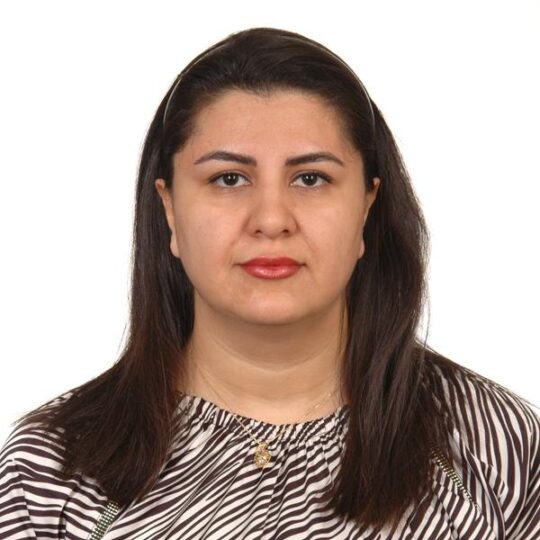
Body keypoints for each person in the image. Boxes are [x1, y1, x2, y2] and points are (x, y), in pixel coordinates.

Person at [0, 27, 538, 539]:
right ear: (169, 209)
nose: (272, 219)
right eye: (229, 178)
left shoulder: (495, 445)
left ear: (366, 207)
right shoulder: (52, 469)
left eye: (311, 178)